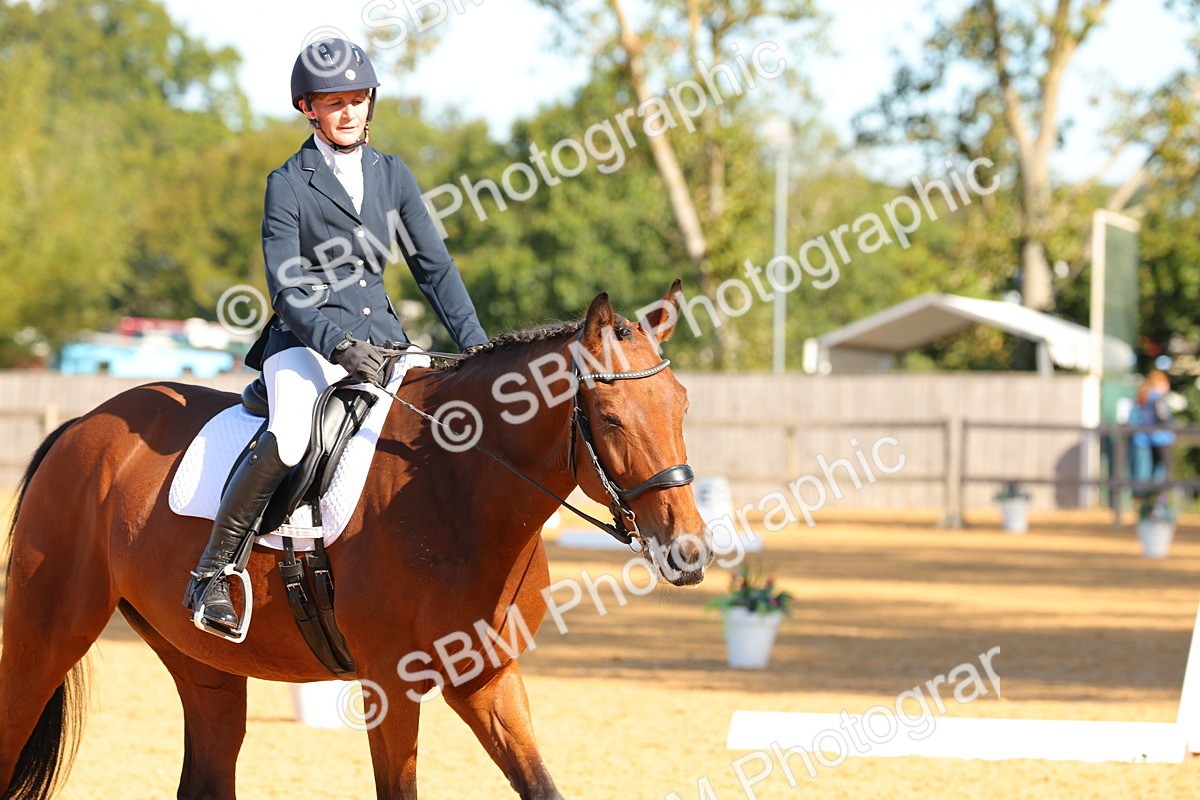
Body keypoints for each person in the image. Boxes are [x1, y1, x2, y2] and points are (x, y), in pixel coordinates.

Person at [183, 38, 489, 635]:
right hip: (303, 343)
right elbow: (287, 290)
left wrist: (478, 347)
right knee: (294, 435)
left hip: (384, 339)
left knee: (442, 422)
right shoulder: (288, 183)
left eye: (357, 99)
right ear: (309, 109)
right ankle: (213, 574)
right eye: (334, 102)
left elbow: (434, 267)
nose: (348, 112)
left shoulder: (392, 174)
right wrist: (338, 346)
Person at [1129, 370, 1176, 502]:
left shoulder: (1142, 396)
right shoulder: (1157, 398)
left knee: (1144, 473)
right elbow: (1163, 417)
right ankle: (1160, 501)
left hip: (1143, 439)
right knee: (1162, 471)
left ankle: (1145, 502)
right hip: (1160, 439)